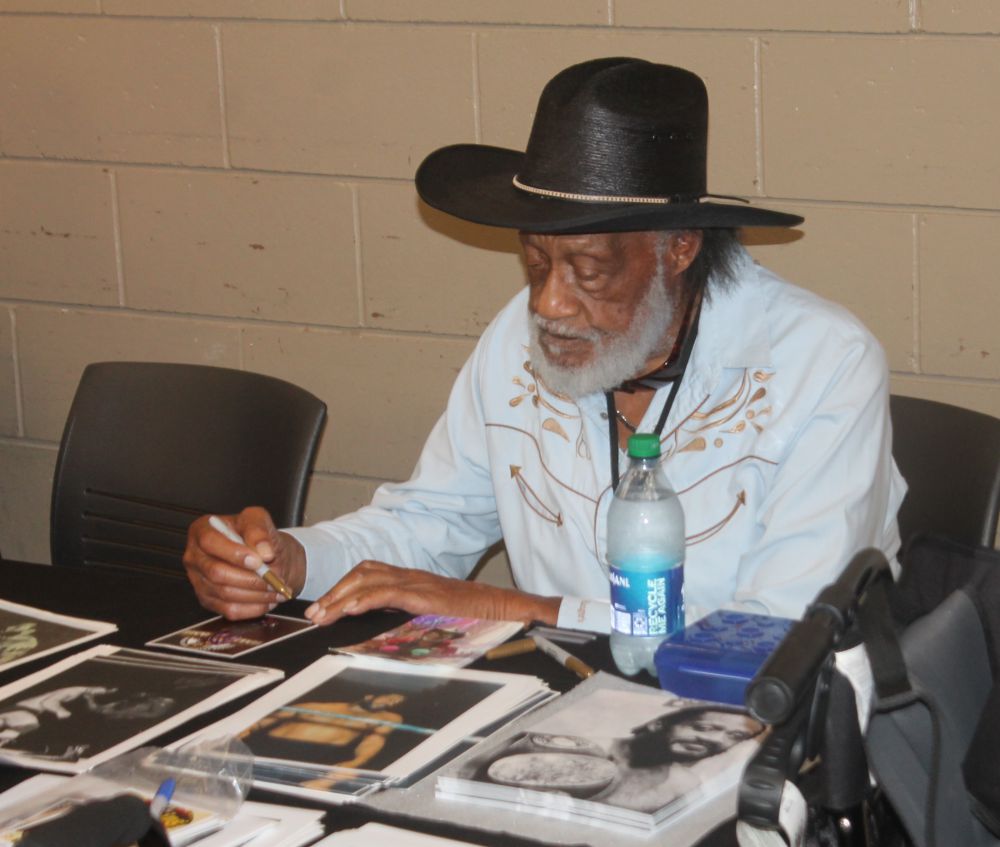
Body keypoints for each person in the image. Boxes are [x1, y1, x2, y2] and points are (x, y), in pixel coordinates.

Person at [183, 57, 905, 633]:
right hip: (558, 719)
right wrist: (291, 558)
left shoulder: (821, 364)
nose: (548, 303)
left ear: (678, 247)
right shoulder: (518, 339)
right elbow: (429, 522)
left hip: (760, 741)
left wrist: (506, 607)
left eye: (587, 269)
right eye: (535, 261)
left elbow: (777, 634)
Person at [474, 704, 764, 814]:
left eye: (734, 738)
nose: (715, 741)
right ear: (658, 723)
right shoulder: (571, 742)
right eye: (703, 727)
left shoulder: (683, 785)